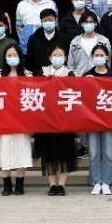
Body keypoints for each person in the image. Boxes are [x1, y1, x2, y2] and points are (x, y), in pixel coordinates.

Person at [0, 46, 33, 196]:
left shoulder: (26, 74)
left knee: (21, 149)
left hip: (21, 119)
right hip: (3, 118)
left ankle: (20, 183)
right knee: (4, 149)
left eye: (15, 54)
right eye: (9, 55)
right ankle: (6, 183)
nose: (12, 57)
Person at [37, 47, 77, 196]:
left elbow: (75, 92)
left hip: (65, 121)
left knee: (65, 153)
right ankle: (52, 184)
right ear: (50, 57)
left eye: (60, 55)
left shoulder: (70, 73)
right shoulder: (43, 72)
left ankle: (61, 184)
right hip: (47, 120)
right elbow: (35, 91)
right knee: (49, 153)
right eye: (55, 55)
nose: (57, 57)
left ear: (65, 58)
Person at [85, 47, 112, 195]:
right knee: (93, 153)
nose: (99, 57)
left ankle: (106, 182)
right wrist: (86, 83)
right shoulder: (87, 75)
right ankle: (96, 182)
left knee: (108, 153)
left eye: (101, 55)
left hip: (109, 121)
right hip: (92, 121)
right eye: (96, 55)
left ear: (107, 57)